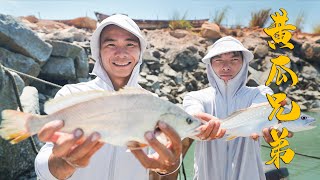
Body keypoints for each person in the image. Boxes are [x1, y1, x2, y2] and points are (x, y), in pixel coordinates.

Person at [35, 14, 182, 180]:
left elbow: (163, 170)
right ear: (98, 52)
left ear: (140, 51)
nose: (121, 53)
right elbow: (42, 167)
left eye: (130, 44)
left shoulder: (155, 104)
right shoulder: (71, 95)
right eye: (111, 44)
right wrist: (64, 164)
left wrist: (171, 165)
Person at [183, 36, 292, 180]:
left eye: (234, 60)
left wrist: (276, 126)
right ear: (210, 64)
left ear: (244, 63)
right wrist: (193, 124)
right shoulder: (195, 97)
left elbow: (261, 112)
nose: (226, 66)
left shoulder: (261, 93)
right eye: (218, 60)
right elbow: (191, 113)